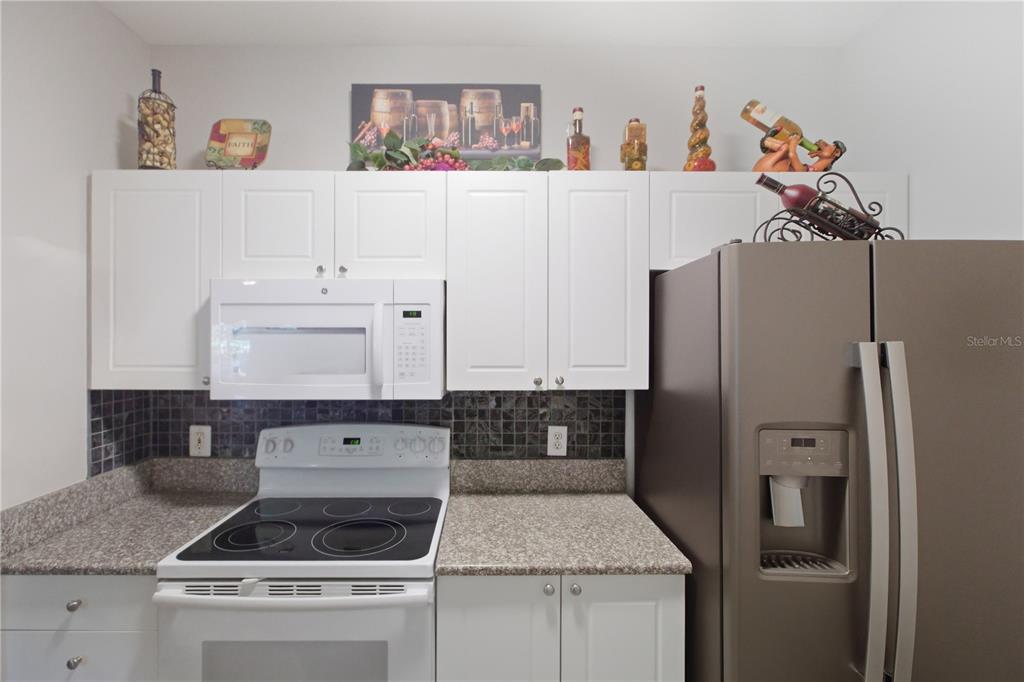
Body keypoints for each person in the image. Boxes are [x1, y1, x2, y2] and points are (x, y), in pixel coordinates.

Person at [752, 130, 846, 172]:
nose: (827, 145)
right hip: (767, 168)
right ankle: (766, 144)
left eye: (830, 146)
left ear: (836, 153)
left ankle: (766, 143)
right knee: (785, 148)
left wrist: (793, 144)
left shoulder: (815, 172)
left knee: (785, 148)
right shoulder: (812, 169)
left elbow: (793, 158)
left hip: (768, 169)